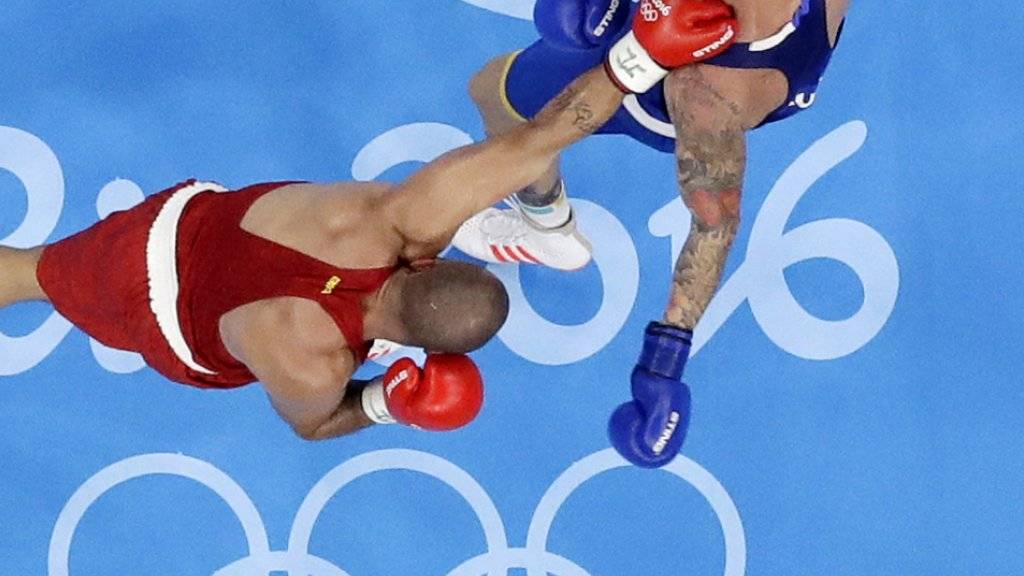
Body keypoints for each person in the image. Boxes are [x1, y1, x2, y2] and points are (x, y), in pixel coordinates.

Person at [0, 0, 739, 442]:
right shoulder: (313, 363)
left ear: (430, 260)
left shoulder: (400, 219)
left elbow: (542, 136)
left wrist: (638, 56)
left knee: (34, 270)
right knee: (31, 276)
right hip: (162, 304)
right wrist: (389, 402)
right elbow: (314, 424)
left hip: (175, 239)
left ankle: (532, 222)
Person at [452, 0, 850, 467]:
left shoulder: (705, 92)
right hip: (748, 53)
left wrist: (664, 363)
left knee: (493, 93)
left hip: (655, 90)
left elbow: (715, 222)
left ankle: (546, 227)